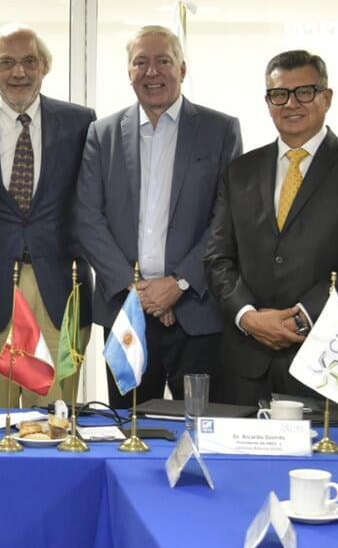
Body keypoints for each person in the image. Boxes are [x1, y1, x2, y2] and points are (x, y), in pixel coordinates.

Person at [204, 49, 338, 408]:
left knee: (320, 446)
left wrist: (302, 316)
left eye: (305, 91)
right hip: (246, 354)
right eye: (279, 94)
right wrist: (249, 316)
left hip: (324, 352)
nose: (291, 103)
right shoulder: (239, 171)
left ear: (327, 98)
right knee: (240, 446)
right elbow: (217, 258)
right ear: (268, 102)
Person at [78, 26, 241, 404]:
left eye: (163, 61)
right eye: (141, 62)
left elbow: (226, 218)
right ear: (129, 72)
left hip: (197, 310)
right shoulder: (102, 134)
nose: (152, 72)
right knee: (129, 424)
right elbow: (87, 218)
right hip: (126, 311)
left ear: (182, 69)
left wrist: (178, 284)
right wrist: (137, 291)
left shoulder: (220, 130)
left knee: (200, 423)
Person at [0, 26, 95, 408]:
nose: (19, 72)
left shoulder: (81, 124)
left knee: (52, 417)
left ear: (45, 66)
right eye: (7, 63)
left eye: (30, 61)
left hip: (59, 290)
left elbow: (95, 203)